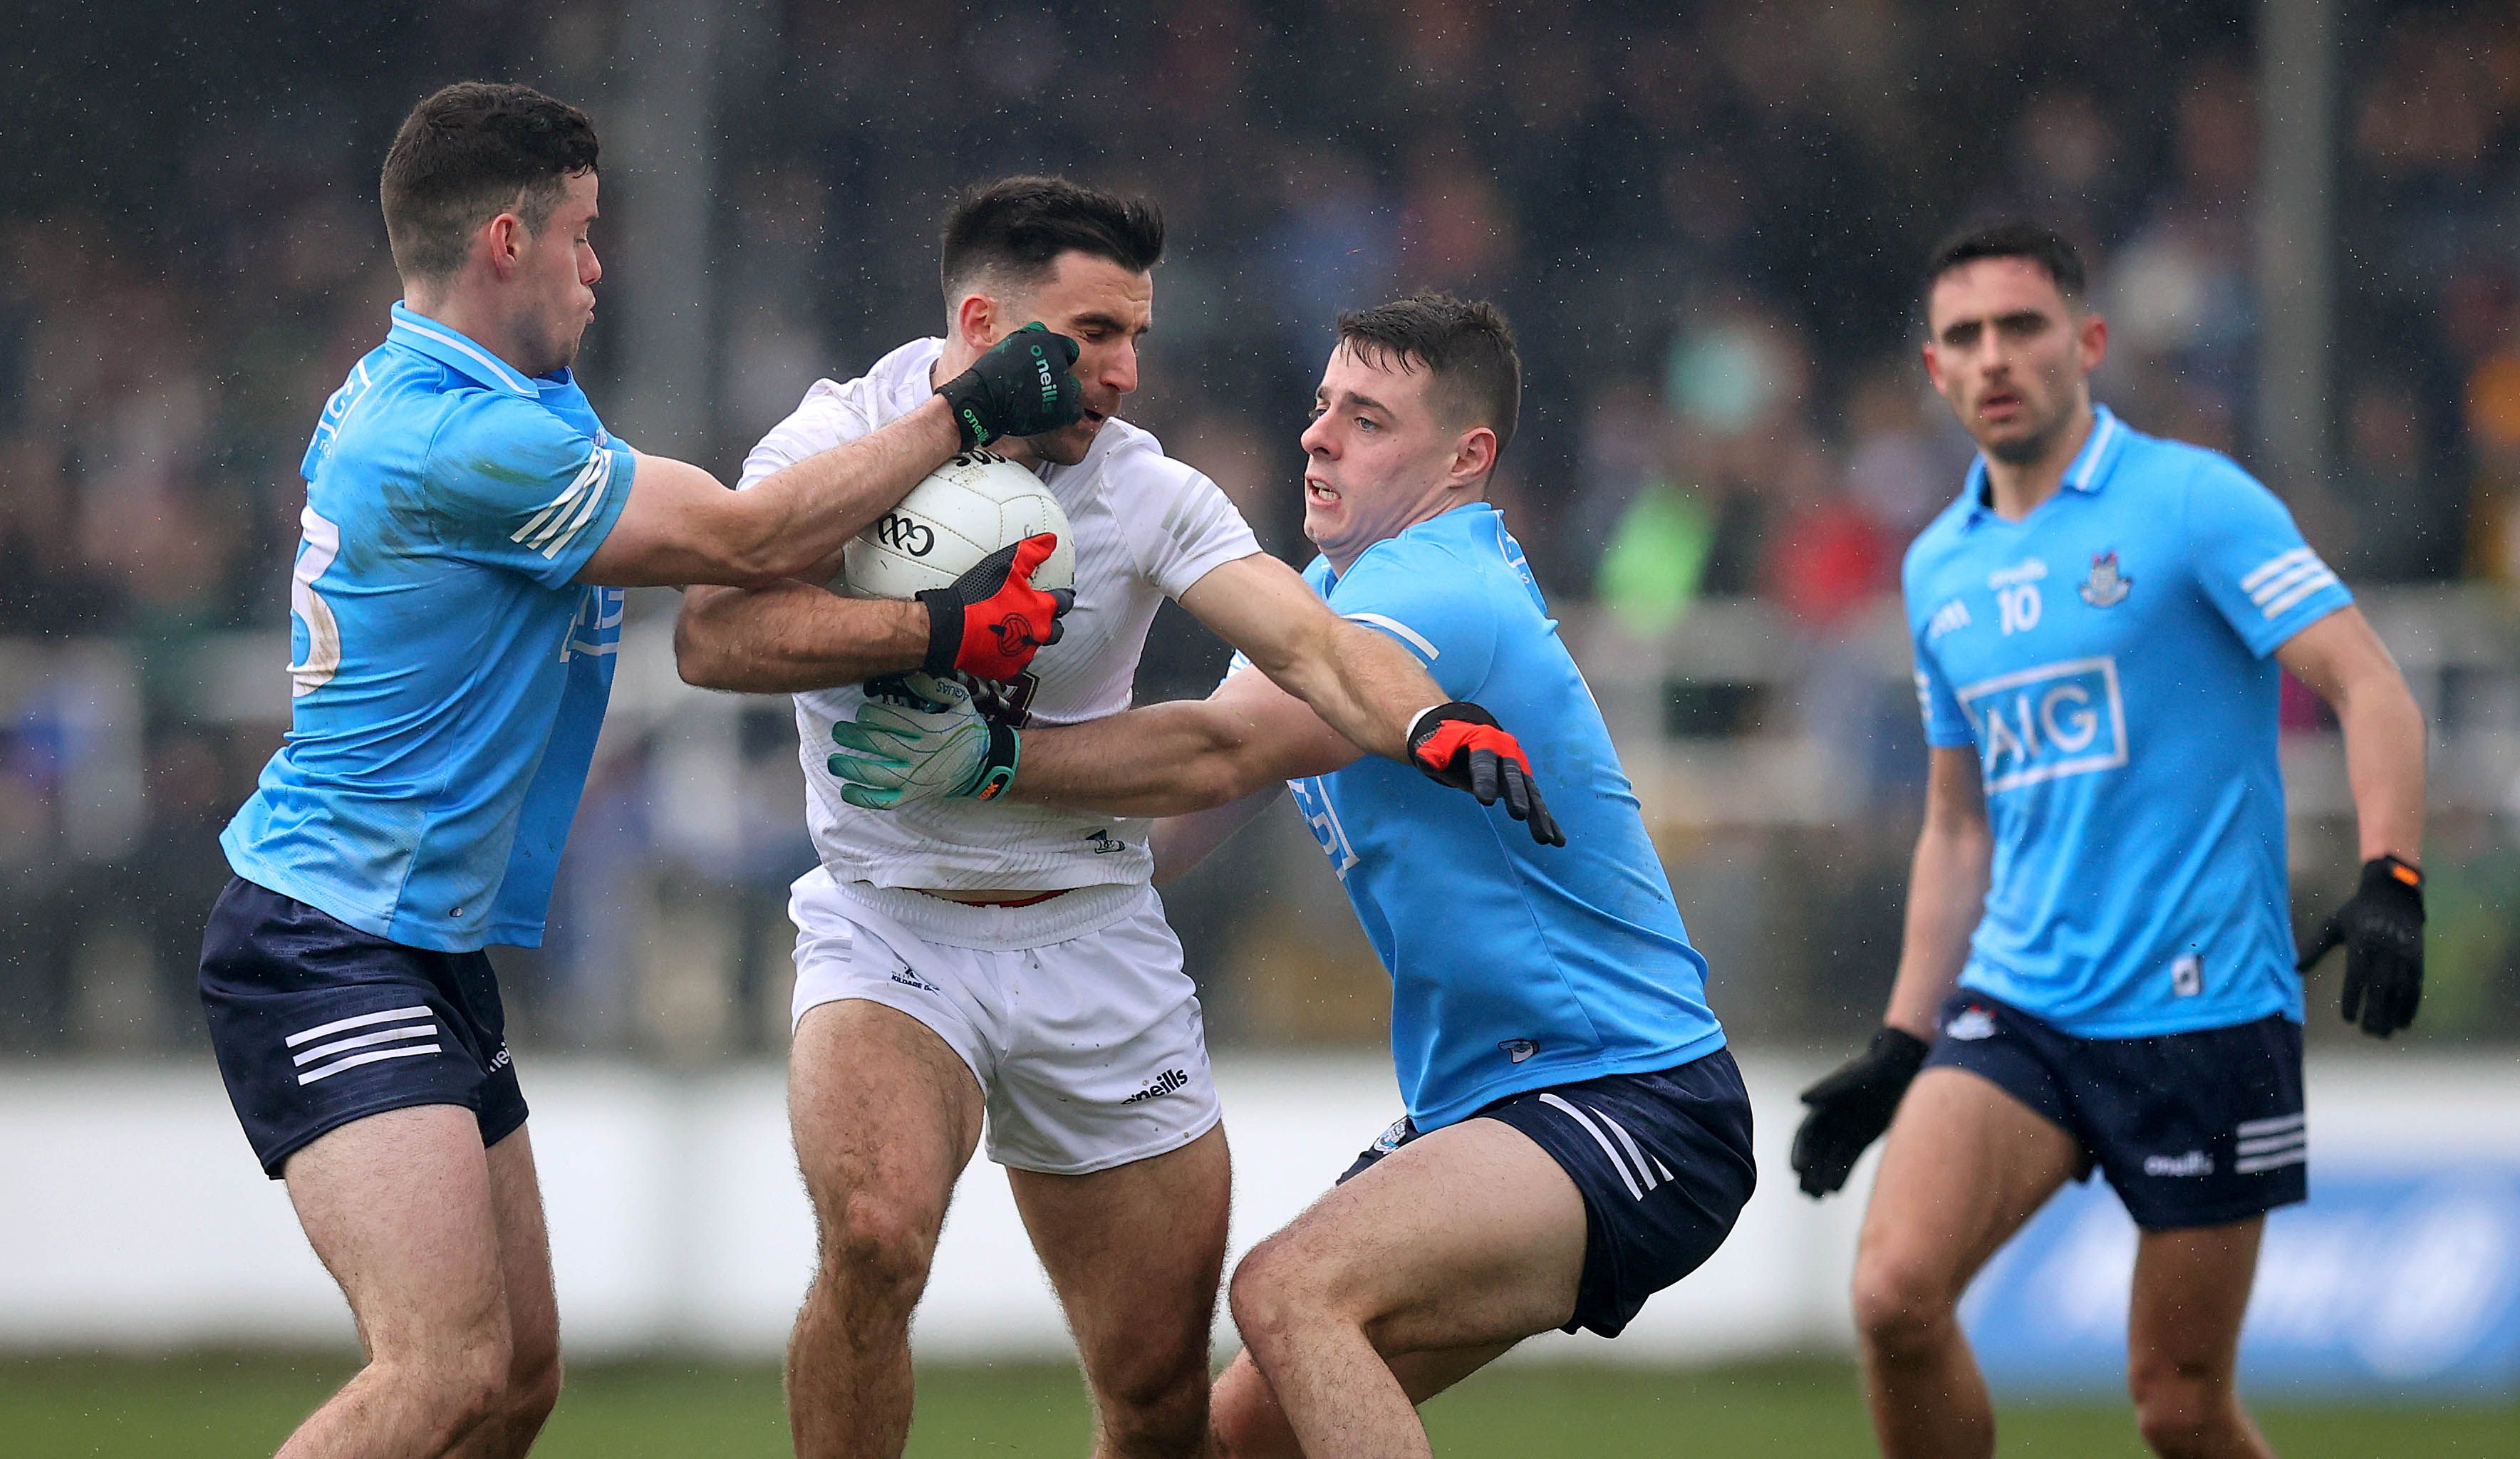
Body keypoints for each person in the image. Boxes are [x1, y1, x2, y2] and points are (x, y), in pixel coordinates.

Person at [198, 83, 1081, 1459]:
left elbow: (730, 546)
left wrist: (919, 605)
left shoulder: (469, 395)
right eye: (585, 238)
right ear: (507, 240)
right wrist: (959, 423)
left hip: (413, 941)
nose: (602, 269)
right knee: (439, 1371)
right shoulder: (461, 438)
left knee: (519, 1376)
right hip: (330, 939)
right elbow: (737, 539)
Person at [673, 183, 1554, 1459]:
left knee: (1152, 1392)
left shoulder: (1148, 493)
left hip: (1097, 942)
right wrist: (931, 629)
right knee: (872, 1239)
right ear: (984, 323)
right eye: (1093, 334)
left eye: (1137, 335)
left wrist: (1426, 721)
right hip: (888, 928)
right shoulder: (833, 441)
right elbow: (715, 633)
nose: (1127, 372)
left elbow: (1304, 639)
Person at [827, 293, 1753, 1459]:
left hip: (1628, 1092)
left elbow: (1221, 747)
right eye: (1321, 407)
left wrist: (993, 758)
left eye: (1366, 420)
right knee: (1236, 1441)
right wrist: (961, 895)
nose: (1316, 437)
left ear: (1467, 458)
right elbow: (1176, 823)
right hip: (1490, 1100)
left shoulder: (1436, 590)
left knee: (1290, 1292)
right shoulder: (1326, 605)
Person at [1788, 222, 2427, 1459]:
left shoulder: (2193, 502)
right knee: (1890, 1297)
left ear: (2084, 343)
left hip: (2202, 1016)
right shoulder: (1936, 570)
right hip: (2021, 1003)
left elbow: (2369, 684)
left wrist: (2390, 873)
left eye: (2021, 327)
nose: (1993, 357)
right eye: (1964, 336)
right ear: (1935, 371)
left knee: (2178, 1408)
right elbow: (1956, 824)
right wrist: (1898, 1041)